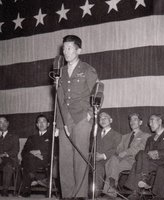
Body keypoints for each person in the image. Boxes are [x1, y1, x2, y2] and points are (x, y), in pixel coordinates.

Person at [56, 35, 98, 198]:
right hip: (64, 121)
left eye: (69, 48)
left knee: (80, 158)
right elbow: (59, 99)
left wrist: (89, 114)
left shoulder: (87, 69)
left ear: (78, 50)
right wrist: (59, 124)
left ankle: (80, 195)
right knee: (64, 160)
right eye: (64, 48)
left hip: (81, 119)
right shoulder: (59, 72)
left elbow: (97, 91)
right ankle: (67, 195)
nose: (65, 52)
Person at [124, 114, 164, 200]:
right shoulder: (150, 138)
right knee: (140, 157)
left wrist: (158, 152)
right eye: (149, 122)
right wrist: (148, 154)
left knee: (137, 164)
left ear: (160, 121)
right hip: (150, 164)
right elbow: (143, 155)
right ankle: (142, 181)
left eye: (152, 121)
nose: (149, 124)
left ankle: (136, 190)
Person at [103, 113, 150, 196]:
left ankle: (110, 190)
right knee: (112, 160)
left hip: (134, 162)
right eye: (131, 120)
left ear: (140, 122)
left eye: (135, 119)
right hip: (120, 160)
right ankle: (112, 184)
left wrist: (126, 152)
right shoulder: (124, 137)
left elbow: (141, 148)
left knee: (111, 164)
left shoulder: (146, 136)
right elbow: (118, 149)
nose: (132, 122)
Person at [20, 114, 52, 197]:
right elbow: (23, 152)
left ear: (48, 124)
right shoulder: (31, 137)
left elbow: (54, 151)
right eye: (39, 122)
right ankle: (35, 179)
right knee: (29, 157)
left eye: (44, 121)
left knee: (28, 161)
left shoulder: (52, 137)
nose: (41, 124)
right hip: (32, 161)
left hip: (45, 160)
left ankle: (28, 187)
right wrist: (33, 153)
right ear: (37, 125)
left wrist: (40, 152)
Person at [94, 112, 122, 197]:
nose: (102, 120)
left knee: (100, 167)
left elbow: (116, 149)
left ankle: (103, 193)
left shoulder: (117, 135)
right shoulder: (95, 134)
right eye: (101, 118)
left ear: (111, 120)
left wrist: (103, 156)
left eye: (105, 118)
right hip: (95, 160)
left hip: (108, 160)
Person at [0, 116, 19, 197]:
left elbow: (15, 151)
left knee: (8, 165)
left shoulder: (14, 136)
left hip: (9, 160)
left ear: (8, 123)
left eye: (5, 122)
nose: (3, 124)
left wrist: (3, 155)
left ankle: (5, 190)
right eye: (0, 122)